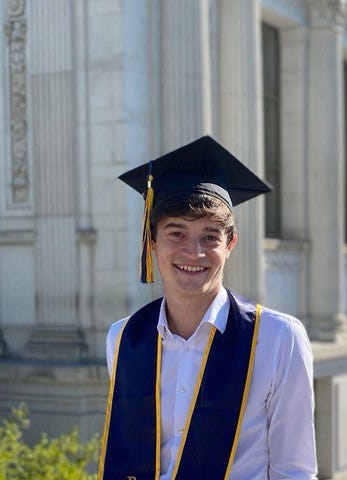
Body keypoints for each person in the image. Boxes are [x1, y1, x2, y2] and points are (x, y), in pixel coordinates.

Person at [100, 136, 317, 479]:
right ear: (152, 240)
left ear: (230, 242)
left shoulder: (278, 338)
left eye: (210, 236)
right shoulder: (124, 338)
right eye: (176, 233)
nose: (194, 252)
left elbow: (295, 469)